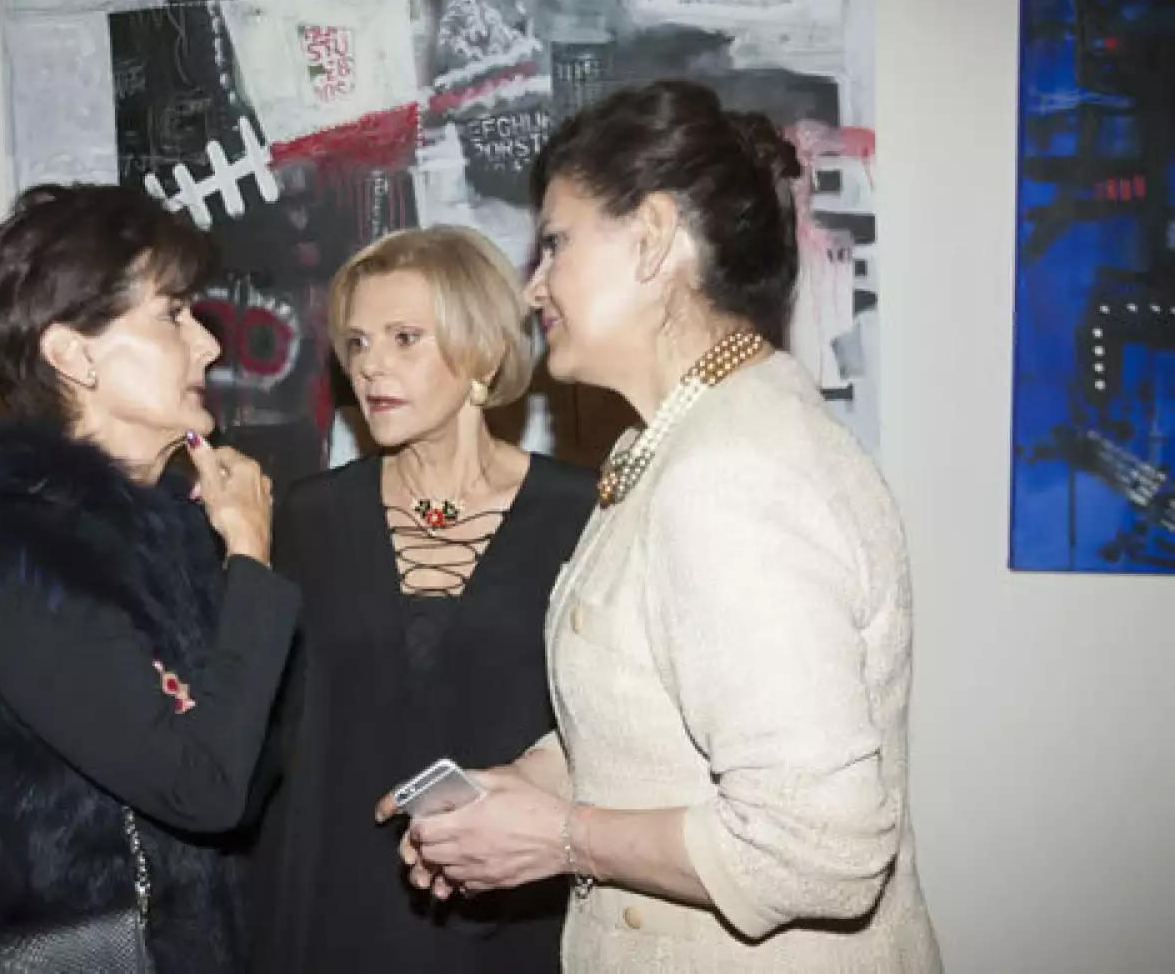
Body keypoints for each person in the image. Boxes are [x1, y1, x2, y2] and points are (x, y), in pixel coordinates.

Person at [382, 82, 943, 971]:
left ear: (651, 239)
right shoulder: (682, 439)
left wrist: (561, 838)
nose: (533, 289)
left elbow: (823, 851)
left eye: (556, 244)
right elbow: (661, 722)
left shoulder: (733, 474)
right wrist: (526, 787)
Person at [0, 184, 300, 974]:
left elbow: (252, 767)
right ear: (73, 353)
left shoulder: (170, 527)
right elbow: (204, 788)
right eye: (172, 314)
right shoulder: (17, 559)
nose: (208, 345)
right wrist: (250, 552)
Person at [248, 226, 597, 973]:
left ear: (481, 349)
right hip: (325, 909)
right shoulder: (303, 519)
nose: (372, 365)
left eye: (405, 338)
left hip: (511, 914)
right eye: (359, 342)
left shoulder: (584, 514)